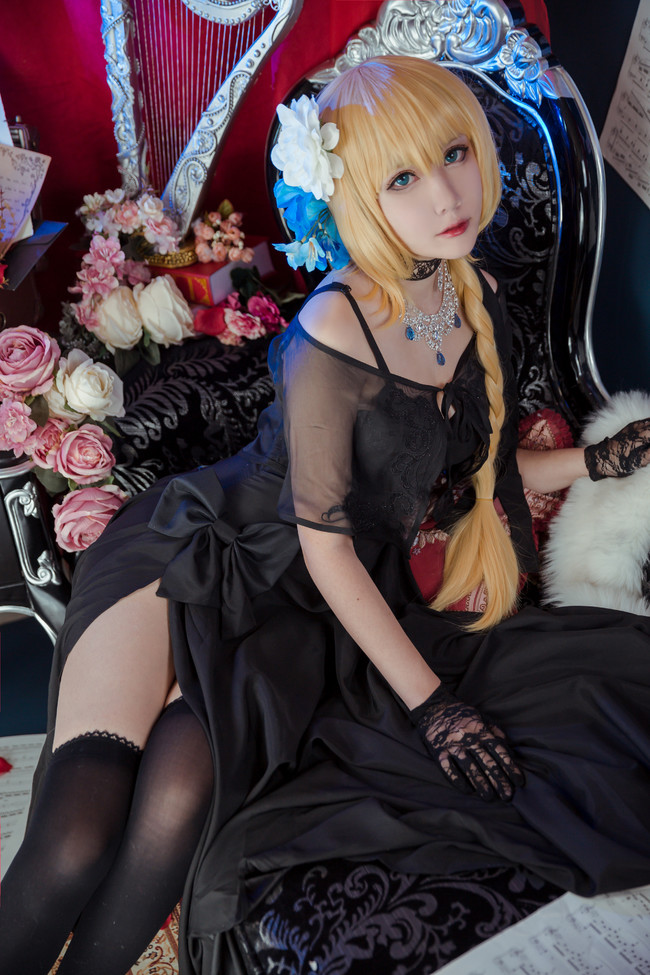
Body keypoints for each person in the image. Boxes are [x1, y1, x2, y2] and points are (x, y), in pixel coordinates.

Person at [2, 55, 650, 975]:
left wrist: (600, 458)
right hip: (208, 551)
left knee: (177, 805)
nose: (446, 193)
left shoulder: (473, 297)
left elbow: (479, 471)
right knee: (77, 833)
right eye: (402, 177)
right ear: (355, 195)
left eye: (456, 153)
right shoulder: (334, 330)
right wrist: (436, 710)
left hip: (299, 613)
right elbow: (327, 546)